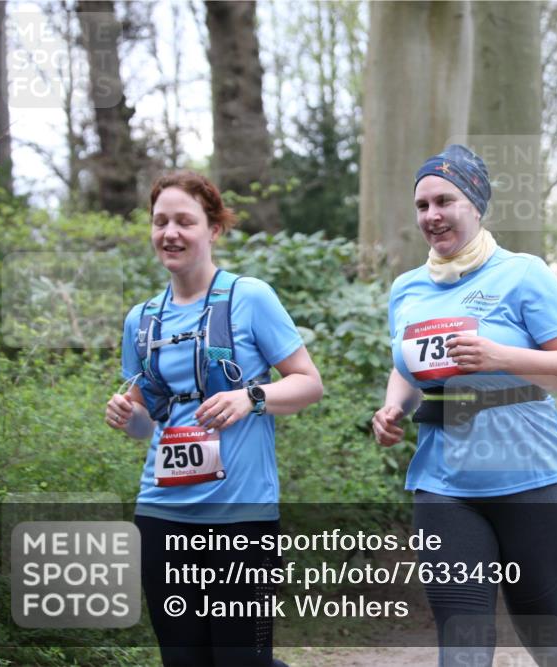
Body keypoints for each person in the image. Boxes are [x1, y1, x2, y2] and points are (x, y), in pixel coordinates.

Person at [371, 145, 557, 667]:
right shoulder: (407, 290)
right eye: (422, 205)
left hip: (534, 478)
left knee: (544, 636)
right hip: (446, 484)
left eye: (444, 200)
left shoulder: (523, 274)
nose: (433, 215)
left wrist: (500, 355)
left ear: (474, 203)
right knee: (462, 642)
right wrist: (392, 408)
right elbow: (405, 365)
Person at [105, 171, 323, 667]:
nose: (170, 233)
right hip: (162, 515)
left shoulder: (251, 297)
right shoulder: (141, 319)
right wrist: (127, 415)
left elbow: (308, 383)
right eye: (161, 222)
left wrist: (253, 397)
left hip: (240, 517)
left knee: (243, 660)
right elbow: (147, 425)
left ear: (213, 229)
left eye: (185, 221)